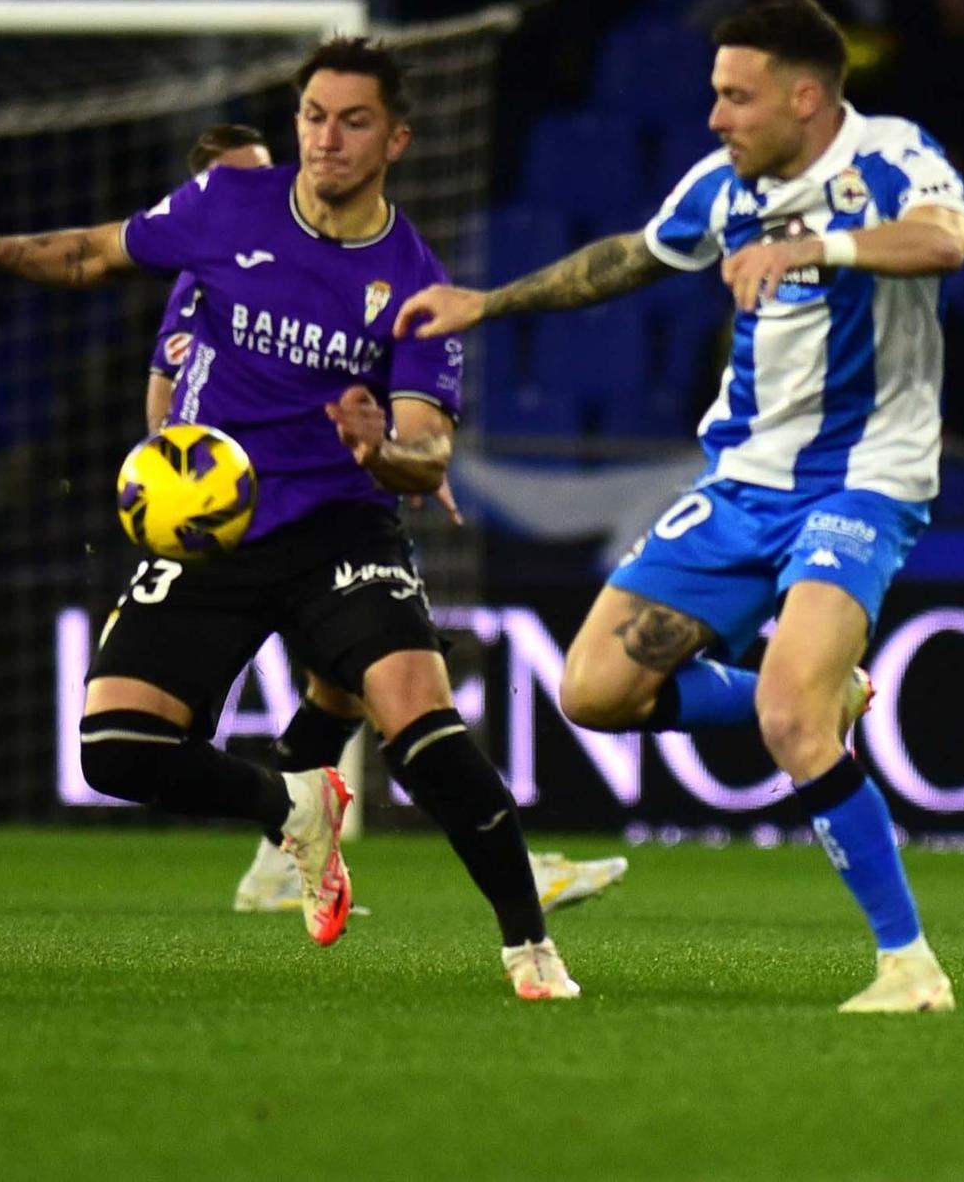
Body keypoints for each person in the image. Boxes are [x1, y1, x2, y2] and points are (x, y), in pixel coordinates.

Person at [0, 39, 581, 999]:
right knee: (114, 750)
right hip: (214, 521)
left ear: (397, 139)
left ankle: (530, 948)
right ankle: (290, 803)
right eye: (312, 115)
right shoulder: (228, 204)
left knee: (415, 709)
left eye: (352, 121)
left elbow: (428, 450)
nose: (326, 138)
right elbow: (95, 252)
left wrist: (379, 448)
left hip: (341, 521)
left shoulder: (415, 280)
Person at [397, 0, 964, 1013]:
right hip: (740, 483)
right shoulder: (723, 187)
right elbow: (624, 257)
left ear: (803, 96)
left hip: (861, 480)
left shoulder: (887, 155)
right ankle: (817, 695)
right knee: (593, 689)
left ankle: (908, 965)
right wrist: (484, 306)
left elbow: (942, 241)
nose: (714, 117)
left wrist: (814, 250)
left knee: (789, 716)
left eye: (734, 96)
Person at [150, 127, 630, 917]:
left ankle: (279, 859)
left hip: (329, 507)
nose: (266, 197)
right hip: (252, 523)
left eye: (268, 178)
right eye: (242, 185)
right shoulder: (202, 282)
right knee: (389, 695)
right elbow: (165, 406)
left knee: (345, 686)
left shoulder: (321, 269)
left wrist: (404, 457)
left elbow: (365, 394)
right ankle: (501, 864)